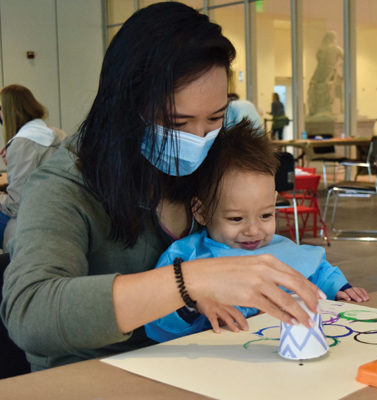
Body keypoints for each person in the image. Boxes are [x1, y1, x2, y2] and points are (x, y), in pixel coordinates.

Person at [0, 3, 322, 371]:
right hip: (96, 375)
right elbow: (30, 312)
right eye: (177, 121)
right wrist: (188, 282)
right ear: (125, 106)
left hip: (209, 362)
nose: (199, 138)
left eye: (216, 117)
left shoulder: (215, 162)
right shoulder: (68, 183)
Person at [144, 123, 369, 342]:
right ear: (201, 211)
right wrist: (191, 305)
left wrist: (340, 288)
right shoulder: (186, 256)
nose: (253, 231)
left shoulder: (281, 248)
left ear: (274, 203)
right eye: (236, 218)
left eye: (265, 215)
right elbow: (155, 323)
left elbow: (318, 271)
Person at [0, 85, 67, 244]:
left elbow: (15, 205)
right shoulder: (55, 134)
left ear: (10, 111)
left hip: (35, 220)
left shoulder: (23, 143)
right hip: (61, 212)